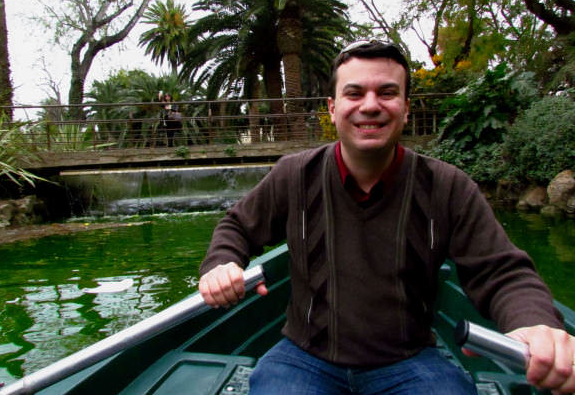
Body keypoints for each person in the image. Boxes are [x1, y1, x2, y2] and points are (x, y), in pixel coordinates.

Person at [199, 41, 575, 394]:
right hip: (303, 356)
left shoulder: (449, 187)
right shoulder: (293, 174)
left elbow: (501, 271)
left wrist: (534, 324)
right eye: (355, 93)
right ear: (332, 107)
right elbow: (237, 226)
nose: (370, 105)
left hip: (409, 359)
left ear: (407, 107)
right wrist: (221, 263)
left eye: (387, 93)